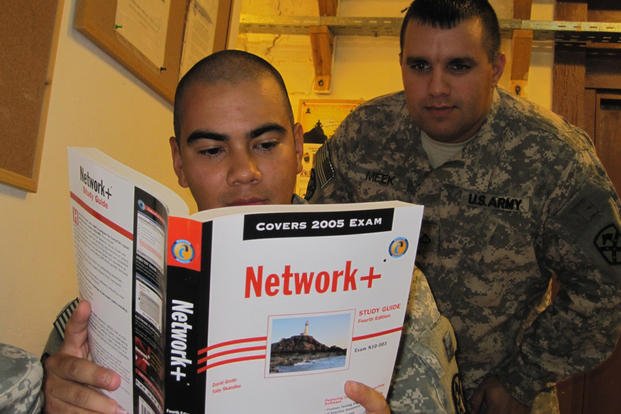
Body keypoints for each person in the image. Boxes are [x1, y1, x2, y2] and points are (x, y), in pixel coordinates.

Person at [42, 50, 461, 413]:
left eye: (265, 144)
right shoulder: (112, 297)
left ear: (299, 148)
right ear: (179, 162)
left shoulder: (395, 284)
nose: (245, 172)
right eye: (211, 150)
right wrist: (56, 402)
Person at [306, 0, 621, 413]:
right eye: (419, 66)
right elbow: (313, 246)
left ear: (495, 67)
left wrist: (523, 377)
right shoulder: (363, 135)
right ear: (400, 63)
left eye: (459, 66)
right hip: (378, 395)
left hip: (497, 398)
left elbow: (607, 286)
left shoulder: (553, 157)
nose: (436, 87)